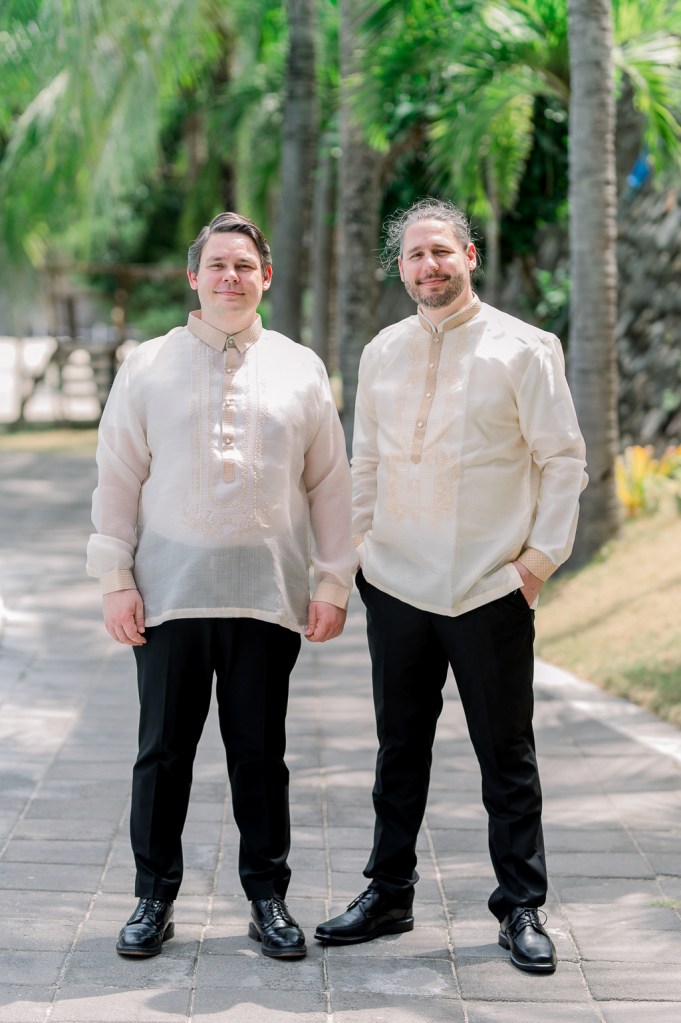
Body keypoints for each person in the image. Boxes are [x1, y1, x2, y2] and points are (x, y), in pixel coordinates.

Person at [314, 198, 588, 974]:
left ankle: (521, 906)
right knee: (398, 748)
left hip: (486, 588)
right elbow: (362, 463)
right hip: (394, 583)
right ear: (400, 268)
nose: (427, 265)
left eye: (440, 251)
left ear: (469, 255)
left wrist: (533, 565)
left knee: (506, 754)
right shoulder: (381, 351)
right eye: (413, 255)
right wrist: (360, 553)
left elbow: (561, 461)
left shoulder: (522, 348)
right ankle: (388, 892)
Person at [87, 212, 356, 961]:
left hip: (268, 596)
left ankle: (267, 897)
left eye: (244, 265)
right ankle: (152, 897)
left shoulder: (301, 366)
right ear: (194, 278)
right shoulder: (146, 364)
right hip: (167, 593)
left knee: (259, 754)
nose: (230, 277)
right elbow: (117, 475)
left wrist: (333, 581)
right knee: (162, 752)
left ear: (264, 277)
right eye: (217, 265)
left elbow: (331, 483)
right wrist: (115, 578)